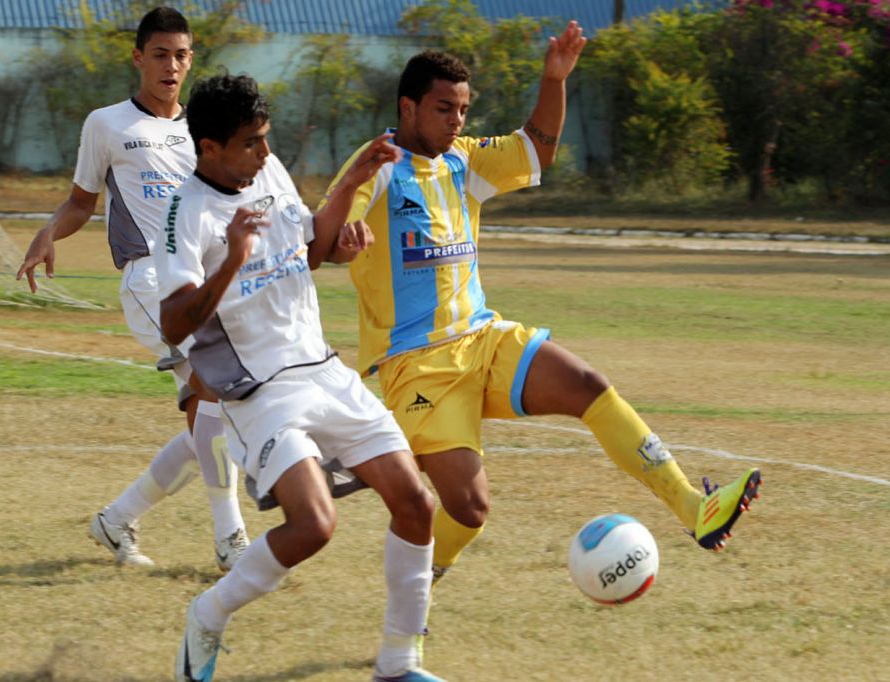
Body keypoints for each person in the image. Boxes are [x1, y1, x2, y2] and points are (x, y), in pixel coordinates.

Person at [326, 24, 762, 600]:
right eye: (443, 108)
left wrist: (553, 80)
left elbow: (538, 149)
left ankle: (695, 507)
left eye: (462, 109)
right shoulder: (376, 163)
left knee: (587, 384)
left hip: (483, 338)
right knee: (470, 508)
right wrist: (344, 240)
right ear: (408, 107)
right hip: (416, 362)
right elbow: (328, 235)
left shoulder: (464, 159)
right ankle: (416, 569)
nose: (456, 121)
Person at [158, 72, 445, 682]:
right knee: (314, 524)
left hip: (323, 369)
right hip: (261, 393)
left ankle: (397, 664)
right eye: (251, 143)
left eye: (267, 139)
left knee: (417, 504)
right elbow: (172, 323)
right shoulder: (186, 212)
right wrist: (232, 260)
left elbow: (311, 247)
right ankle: (208, 613)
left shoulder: (266, 170)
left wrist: (351, 190)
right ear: (209, 148)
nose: (265, 153)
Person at [15, 6, 249, 570]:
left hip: (205, 281)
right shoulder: (108, 124)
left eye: (182, 55)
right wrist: (48, 234)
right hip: (151, 279)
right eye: (161, 54)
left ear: (192, 60)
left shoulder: (204, 130)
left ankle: (116, 520)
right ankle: (231, 542)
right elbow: (80, 202)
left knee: (218, 415)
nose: (172, 66)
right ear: (139, 57)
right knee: (218, 397)